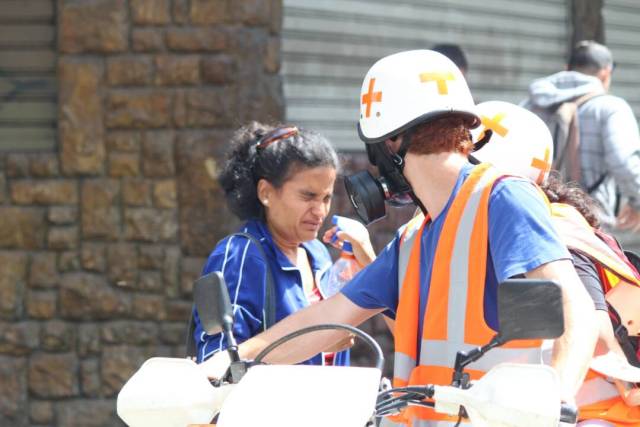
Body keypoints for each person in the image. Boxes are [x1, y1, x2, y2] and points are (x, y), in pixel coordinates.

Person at [200, 50, 597, 425]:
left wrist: (559, 396)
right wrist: (231, 361)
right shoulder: (412, 239)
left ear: (390, 144)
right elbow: (328, 319)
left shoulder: (503, 197)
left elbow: (572, 304)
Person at [472, 100, 640, 427]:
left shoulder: (554, 230)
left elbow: (600, 335)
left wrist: (557, 402)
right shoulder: (500, 229)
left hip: (596, 414)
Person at [192, 122, 376, 365]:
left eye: (326, 197)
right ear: (265, 192)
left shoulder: (318, 252)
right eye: (307, 196)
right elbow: (217, 363)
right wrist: (319, 345)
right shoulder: (240, 255)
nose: (320, 211)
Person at [522, 40, 640, 231]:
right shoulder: (610, 107)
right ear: (605, 74)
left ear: (567, 68)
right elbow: (623, 162)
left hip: (536, 216)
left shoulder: (530, 104)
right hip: (588, 223)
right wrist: (637, 202)